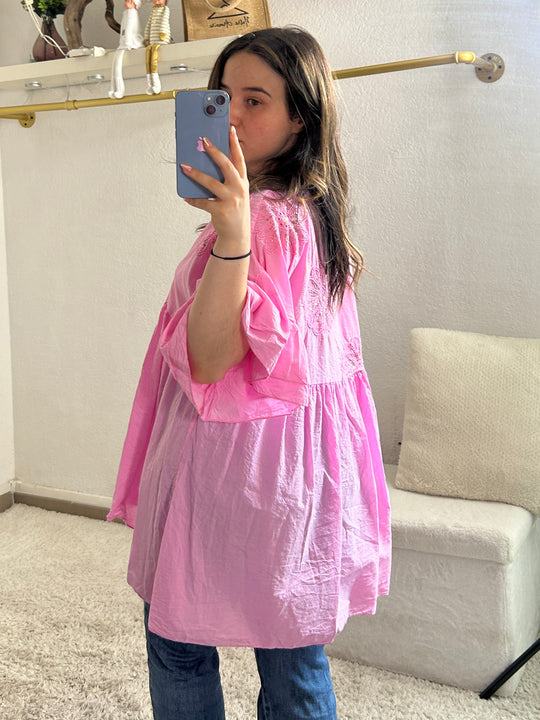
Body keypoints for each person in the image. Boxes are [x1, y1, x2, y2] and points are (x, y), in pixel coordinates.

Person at [107, 27, 391, 720]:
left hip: (230, 467)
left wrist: (231, 235)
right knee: (293, 653)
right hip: (303, 477)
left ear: (300, 119)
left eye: (255, 100)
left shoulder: (260, 223)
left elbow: (210, 361)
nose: (230, 115)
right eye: (221, 97)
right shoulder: (314, 216)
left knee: (177, 640)